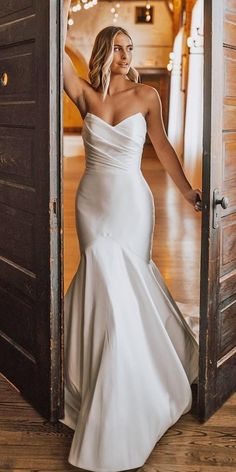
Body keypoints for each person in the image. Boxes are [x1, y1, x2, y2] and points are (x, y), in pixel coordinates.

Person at [61, 1, 202, 471]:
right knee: (100, 271)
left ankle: (131, 389)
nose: (125, 54)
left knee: (128, 280)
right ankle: (96, 380)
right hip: (92, 202)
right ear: (104, 51)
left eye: (129, 47)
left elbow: (161, 147)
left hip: (132, 204)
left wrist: (187, 193)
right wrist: (57, 13)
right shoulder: (83, 93)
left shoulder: (147, 97)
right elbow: (57, 60)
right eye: (117, 47)